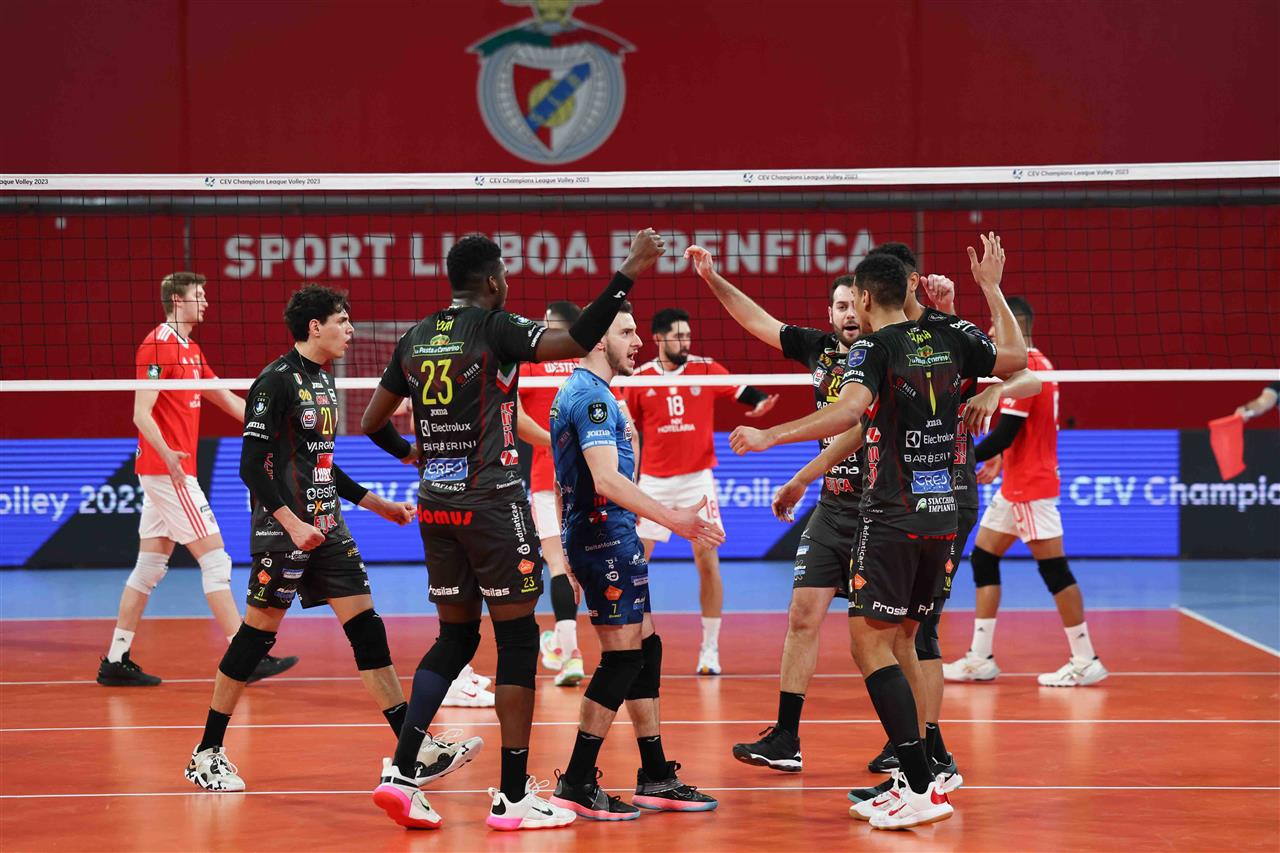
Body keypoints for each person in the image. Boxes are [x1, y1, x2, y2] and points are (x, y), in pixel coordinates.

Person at [362, 229, 665, 831]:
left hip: (436, 506)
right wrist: (628, 269)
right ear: (493, 282)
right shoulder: (495, 326)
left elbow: (373, 421)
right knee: (519, 641)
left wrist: (412, 454)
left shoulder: (415, 336)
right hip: (492, 505)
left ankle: (400, 774)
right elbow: (575, 339)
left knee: (454, 639)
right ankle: (512, 795)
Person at [730, 235, 1028, 828]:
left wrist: (769, 436)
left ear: (865, 299)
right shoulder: (950, 334)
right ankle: (924, 774)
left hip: (892, 512)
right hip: (944, 513)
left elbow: (847, 413)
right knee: (905, 640)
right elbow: (1017, 358)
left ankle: (917, 786)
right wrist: (992, 289)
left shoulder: (873, 348)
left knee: (869, 643)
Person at [184, 285, 439, 795]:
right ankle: (207, 752)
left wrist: (377, 504)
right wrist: (291, 523)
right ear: (315, 327)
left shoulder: (323, 380)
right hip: (284, 533)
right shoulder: (275, 381)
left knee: (368, 630)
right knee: (256, 638)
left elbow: (322, 463)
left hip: (328, 527)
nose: (351, 330)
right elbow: (251, 467)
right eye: (342, 321)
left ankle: (413, 750)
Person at [848, 243, 1040, 807]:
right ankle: (922, 764)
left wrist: (998, 386)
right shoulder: (897, 341)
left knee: (913, 634)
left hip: (939, 496)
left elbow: (1025, 371)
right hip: (920, 497)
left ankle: (930, 764)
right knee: (904, 635)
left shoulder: (942, 331)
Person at [679, 245, 861, 771]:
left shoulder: (884, 352)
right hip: (833, 503)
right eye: (841, 306)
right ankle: (786, 738)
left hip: (882, 506)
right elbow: (757, 320)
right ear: (830, 313)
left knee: (880, 637)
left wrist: (790, 464)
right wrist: (712, 279)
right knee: (802, 614)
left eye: (856, 304)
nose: (849, 314)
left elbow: (854, 423)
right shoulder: (819, 348)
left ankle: (913, 744)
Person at [548, 303, 722, 819]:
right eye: (626, 332)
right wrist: (673, 520)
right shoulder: (591, 399)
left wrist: (568, 546)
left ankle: (656, 775)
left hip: (605, 536)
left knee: (645, 649)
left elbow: (565, 480)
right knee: (623, 658)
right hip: (605, 538)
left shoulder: (592, 392)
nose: (639, 341)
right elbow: (605, 480)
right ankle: (577, 782)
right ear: (599, 340)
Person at [98, 272, 297, 687]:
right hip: (168, 469)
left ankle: (115, 659)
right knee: (216, 560)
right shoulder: (158, 344)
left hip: (168, 470)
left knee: (149, 567)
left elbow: (225, 398)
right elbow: (140, 413)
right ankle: (244, 657)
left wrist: (274, 428)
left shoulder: (190, 349)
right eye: (198, 295)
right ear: (177, 300)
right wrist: (167, 454)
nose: (205, 301)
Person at [943, 296, 1109, 688]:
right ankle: (980, 657)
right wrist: (1002, 460)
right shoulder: (1037, 365)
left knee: (1055, 570)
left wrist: (954, 459)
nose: (990, 331)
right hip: (1017, 482)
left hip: (1031, 487)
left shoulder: (1029, 368)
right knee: (984, 557)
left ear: (1014, 327)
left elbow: (1005, 433)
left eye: (995, 324)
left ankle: (1085, 659)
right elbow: (1022, 431)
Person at [624, 308, 779, 674]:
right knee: (634, 564)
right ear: (659, 338)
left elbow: (742, 390)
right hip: (654, 483)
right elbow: (626, 426)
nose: (686, 342)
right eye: (678, 336)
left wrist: (760, 402)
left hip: (697, 480)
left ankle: (710, 649)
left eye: (688, 336)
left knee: (707, 562)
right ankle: (631, 642)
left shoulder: (705, 368)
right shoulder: (639, 378)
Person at [520, 301, 588, 686]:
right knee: (587, 566)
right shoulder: (589, 365)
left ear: (552, 326)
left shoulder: (531, 365)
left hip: (548, 481)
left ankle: (570, 653)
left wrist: (552, 442)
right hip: (590, 480)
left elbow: (513, 416)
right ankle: (567, 647)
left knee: (558, 567)